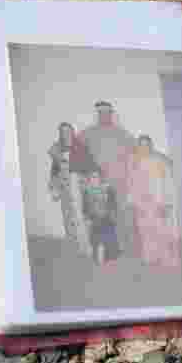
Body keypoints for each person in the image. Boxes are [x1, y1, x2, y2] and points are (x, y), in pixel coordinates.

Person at [71, 100, 138, 257]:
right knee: (96, 216)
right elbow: (74, 148)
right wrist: (82, 174)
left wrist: (131, 176)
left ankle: (121, 246)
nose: (104, 116)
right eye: (100, 113)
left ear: (112, 114)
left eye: (107, 113)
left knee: (119, 214)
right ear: (97, 115)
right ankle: (97, 247)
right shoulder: (88, 132)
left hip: (118, 182)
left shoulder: (123, 133)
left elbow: (136, 153)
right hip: (96, 183)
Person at [126, 135, 180, 270]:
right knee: (144, 230)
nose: (143, 148)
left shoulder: (159, 161)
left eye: (146, 145)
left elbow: (167, 182)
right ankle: (150, 256)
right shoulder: (133, 162)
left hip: (157, 201)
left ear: (151, 146)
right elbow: (131, 183)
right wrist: (133, 202)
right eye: (141, 145)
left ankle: (167, 258)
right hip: (141, 203)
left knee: (161, 231)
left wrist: (166, 202)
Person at [47, 122, 88, 254]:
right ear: (60, 133)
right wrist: (54, 188)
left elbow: (88, 166)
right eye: (63, 131)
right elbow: (54, 169)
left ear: (72, 132)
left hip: (78, 185)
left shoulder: (80, 147)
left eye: (68, 131)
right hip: (64, 185)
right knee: (67, 216)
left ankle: (84, 246)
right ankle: (72, 246)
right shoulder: (57, 149)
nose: (66, 134)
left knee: (80, 216)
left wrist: (87, 182)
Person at [80, 170, 120, 265]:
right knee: (95, 239)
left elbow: (113, 204)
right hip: (94, 219)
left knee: (108, 238)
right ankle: (98, 256)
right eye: (92, 177)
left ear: (100, 178)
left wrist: (112, 214)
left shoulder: (107, 189)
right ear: (89, 179)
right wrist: (87, 218)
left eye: (96, 177)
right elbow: (85, 207)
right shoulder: (87, 191)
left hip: (106, 218)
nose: (94, 179)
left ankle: (108, 256)